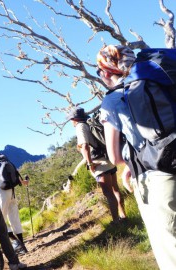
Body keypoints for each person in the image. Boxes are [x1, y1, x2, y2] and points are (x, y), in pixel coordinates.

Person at [97, 44, 176, 269]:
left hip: (156, 175)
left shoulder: (111, 101)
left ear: (105, 72)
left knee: (168, 244)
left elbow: (114, 156)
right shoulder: (158, 78)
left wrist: (129, 163)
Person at [67, 107, 127, 224]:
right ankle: (123, 216)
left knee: (108, 193)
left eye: (71, 119)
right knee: (115, 189)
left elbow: (85, 147)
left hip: (99, 163)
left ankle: (116, 220)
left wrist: (90, 164)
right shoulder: (90, 122)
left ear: (74, 119)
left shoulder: (80, 127)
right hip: (108, 159)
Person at [0, 147, 29, 255]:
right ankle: (22, 245)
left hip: (1, 193)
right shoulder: (3, 160)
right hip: (11, 191)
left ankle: (15, 242)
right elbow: (16, 176)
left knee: (0, 220)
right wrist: (24, 182)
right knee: (14, 218)